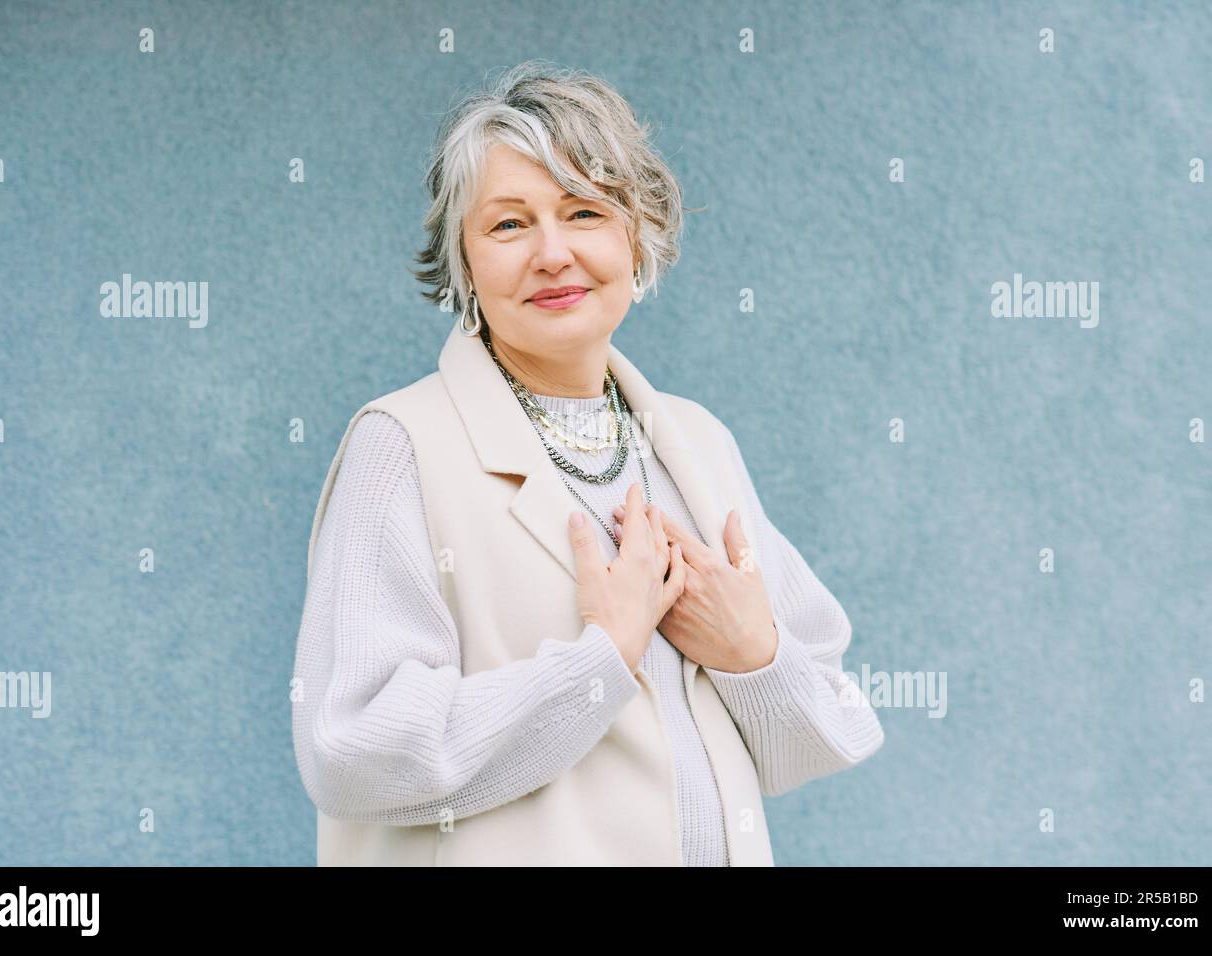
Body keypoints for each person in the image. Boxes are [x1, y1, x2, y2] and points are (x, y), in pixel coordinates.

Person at [291, 60, 884, 867]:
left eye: (584, 212)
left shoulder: (696, 442)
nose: (553, 253)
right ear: (463, 263)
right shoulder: (401, 445)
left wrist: (753, 653)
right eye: (509, 225)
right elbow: (353, 753)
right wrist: (602, 658)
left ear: (637, 238)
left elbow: (827, 732)